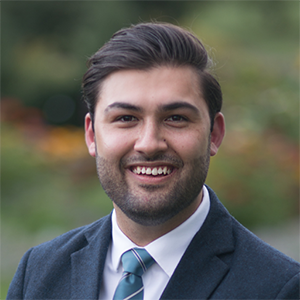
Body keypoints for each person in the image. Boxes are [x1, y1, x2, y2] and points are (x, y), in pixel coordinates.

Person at [6, 22, 300, 300]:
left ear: (214, 134)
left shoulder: (280, 288)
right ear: (91, 134)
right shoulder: (39, 273)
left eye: (175, 118)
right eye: (125, 118)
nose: (148, 143)